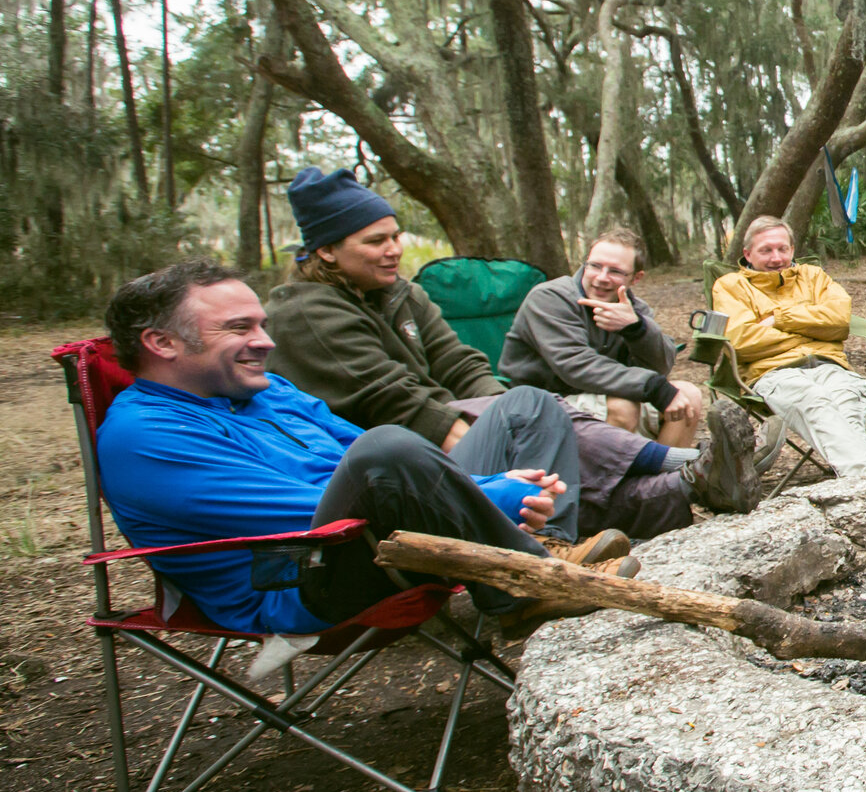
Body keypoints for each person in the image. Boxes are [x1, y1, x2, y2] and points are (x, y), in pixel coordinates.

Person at [96, 261, 606, 643]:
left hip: (383, 528)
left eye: (261, 324)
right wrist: (494, 494)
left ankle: (544, 556)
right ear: (162, 343)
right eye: (239, 328)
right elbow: (307, 516)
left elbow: (353, 450)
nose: (266, 341)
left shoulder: (264, 389)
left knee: (527, 404)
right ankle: (525, 577)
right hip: (301, 574)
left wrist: (490, 488)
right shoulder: (145, 437)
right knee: (387, 450)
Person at [264, 169, 760, 541]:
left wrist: (635, 329)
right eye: (376, 241)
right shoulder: (309, 312)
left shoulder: (401, 294)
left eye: (396, 236)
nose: (394, 249)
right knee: (546, 408)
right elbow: (394, 401)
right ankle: (678, 473)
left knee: (532, 407)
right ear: (326, 251)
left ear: (634, 279)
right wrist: (500, 427)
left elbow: (461, 364)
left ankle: (687, 482)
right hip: (389, 466)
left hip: (461, 422)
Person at [501, 226, 706, 452]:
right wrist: (652, 388)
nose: (601, 278)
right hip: (541, 402)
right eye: (595, 266)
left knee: (689, 396)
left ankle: (663, 482)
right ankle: (610, 486)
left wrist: (636, 329)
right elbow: (576, 365)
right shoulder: (550, 298)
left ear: (636, 278)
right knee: (622, 408)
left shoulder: (633, 309)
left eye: (615, 271)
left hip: (598, 397)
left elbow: (661, 367)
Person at [714, 214, 866, 474]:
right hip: (774, 373)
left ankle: (859, 479)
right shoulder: (730, 287)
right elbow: (741, 341)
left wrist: (779, 319)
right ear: (747, 254)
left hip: (830, 366)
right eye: (765, 250)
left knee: (847, 398)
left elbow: (838, 322)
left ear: (792, 249)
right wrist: (812, 331)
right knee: (814, 400)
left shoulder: (814, 276)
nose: (776, 258)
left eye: (782, 249)